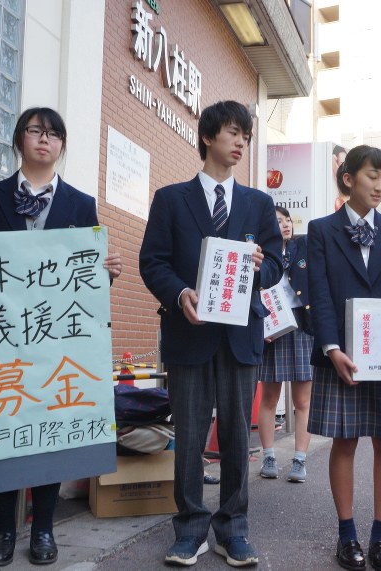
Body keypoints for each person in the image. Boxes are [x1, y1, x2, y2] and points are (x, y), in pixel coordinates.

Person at [0, 107, 122, 567]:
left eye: (53, 134)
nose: (44, 140)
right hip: (1, 340)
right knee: (2, 430)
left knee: (47, 434)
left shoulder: (80, 204)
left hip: (55, 343)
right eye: (35, 131)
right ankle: (2, 533)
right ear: (20, 139)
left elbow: (86, 285)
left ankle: (44, 531)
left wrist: (104, 273)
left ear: (61, 146)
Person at [139, 100, 282, 568]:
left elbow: (277, 266)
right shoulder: (170, 198)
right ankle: (190, 528)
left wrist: (262, 266)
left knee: (238, 437)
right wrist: (180, 292)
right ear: (207, 137)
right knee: (191, 435)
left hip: (240, 337)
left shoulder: (258, 204)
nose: (241, 142)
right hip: (189, 332)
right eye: (233, 132)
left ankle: (233, 529)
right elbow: (152, 261)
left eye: (246, 135)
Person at [307, 145, 381, 571]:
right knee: (345, 440)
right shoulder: (321, 230)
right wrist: (332, 349)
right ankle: (347, 534)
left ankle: (380, 536)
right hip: (343, 357)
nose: (380, 185)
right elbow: (319, 294)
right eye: (373, 175)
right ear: (349, 178)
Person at [258, 206, 314, 483]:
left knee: (303, 401)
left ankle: (299, 460)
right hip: (272, 327)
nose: (285, 225)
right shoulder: (261, 253)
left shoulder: (303, 246)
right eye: (278, 221)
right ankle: (268, 455)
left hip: (302, 326)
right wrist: (261, 327)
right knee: (269, 398)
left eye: (287, 220)